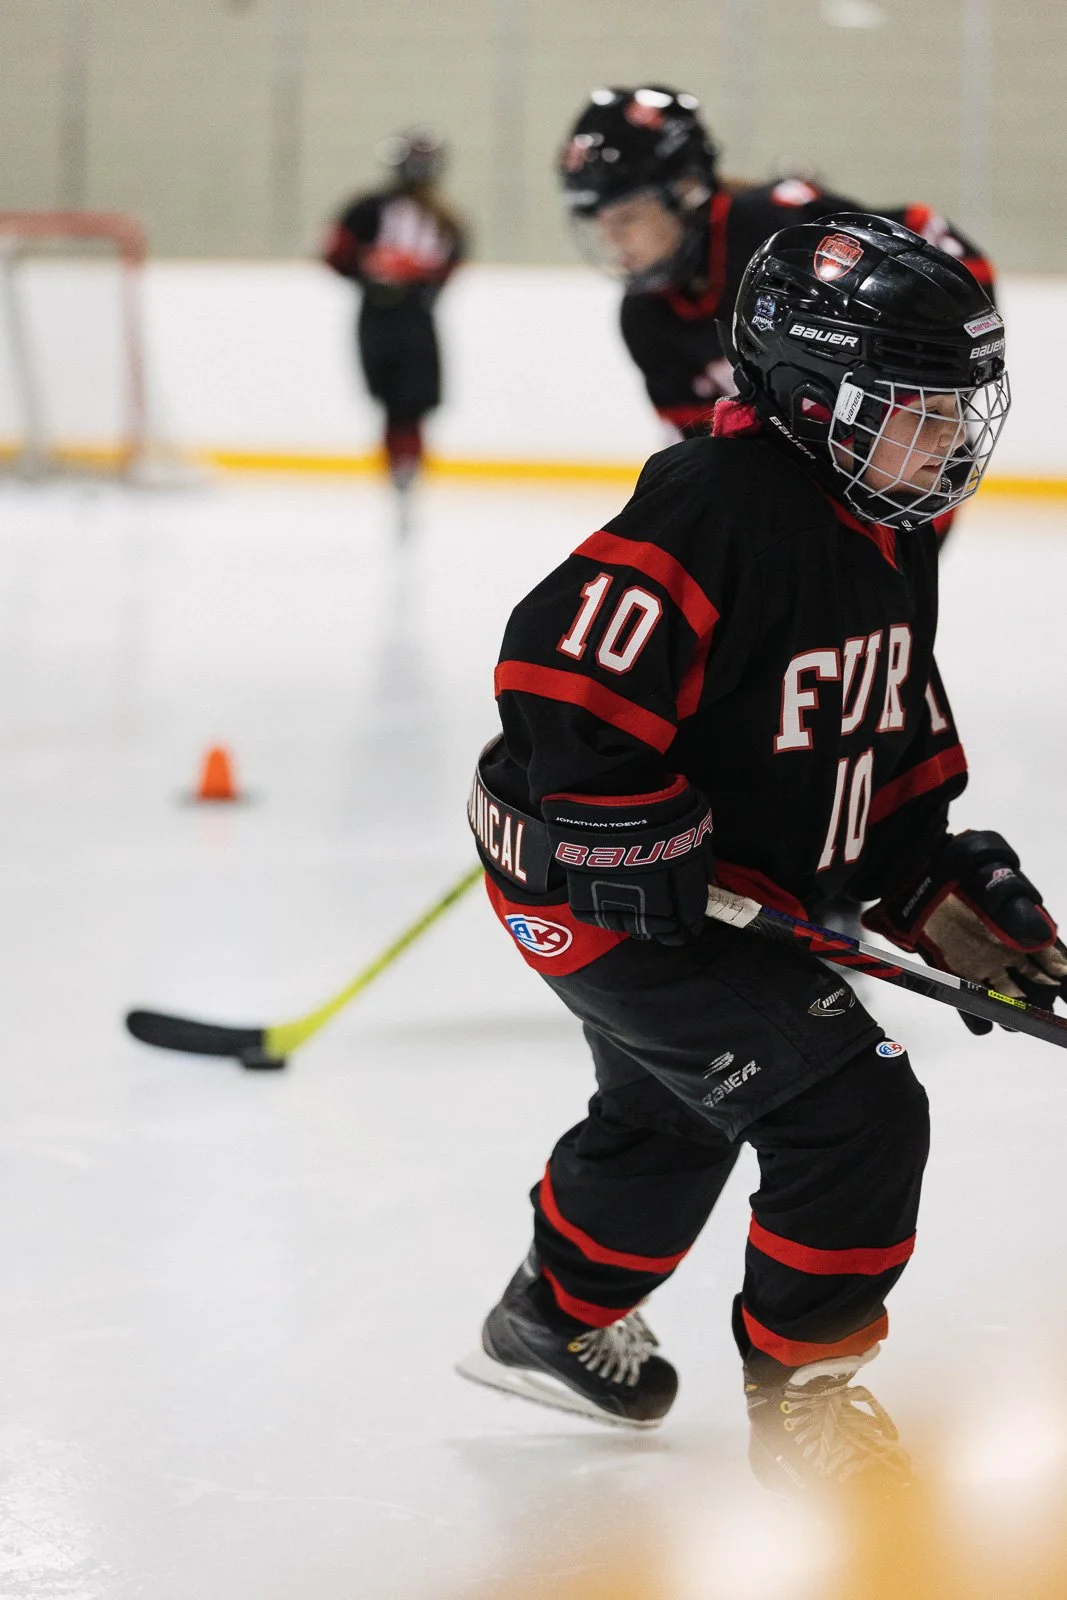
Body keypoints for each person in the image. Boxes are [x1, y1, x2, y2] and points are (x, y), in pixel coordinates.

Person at [458, 214, 1065, 1495]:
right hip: (602, 895)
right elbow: (555, 672)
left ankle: (547, 1320)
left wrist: (932, 878)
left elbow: (871, 719)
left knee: (673, 1113)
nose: (948, 440)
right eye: (913, 408)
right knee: (852, 1111)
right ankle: (804, 1400)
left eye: (956, 408)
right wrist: (620, 819)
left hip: (721, 887)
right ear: (810, 395)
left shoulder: (887, 525)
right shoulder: (715, 503)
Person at [558, 86, 995, 439]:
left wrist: (933, 372)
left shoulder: (779, 228)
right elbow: (699, 448)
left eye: (627, 217)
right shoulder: (644, 317)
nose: (611, 240)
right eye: (599, 223)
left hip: (887, 459)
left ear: (686, 188)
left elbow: (931, 234)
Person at [323, 128, 466, 531]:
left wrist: (413, 274)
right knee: (392, 402)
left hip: (411, 318)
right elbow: (335, 254)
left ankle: (406, 476)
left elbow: (449, 268)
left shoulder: (444, 218)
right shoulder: (370, 208)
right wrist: (372, 271)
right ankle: (400, 476)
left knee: (412, 402)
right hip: (382, 316)